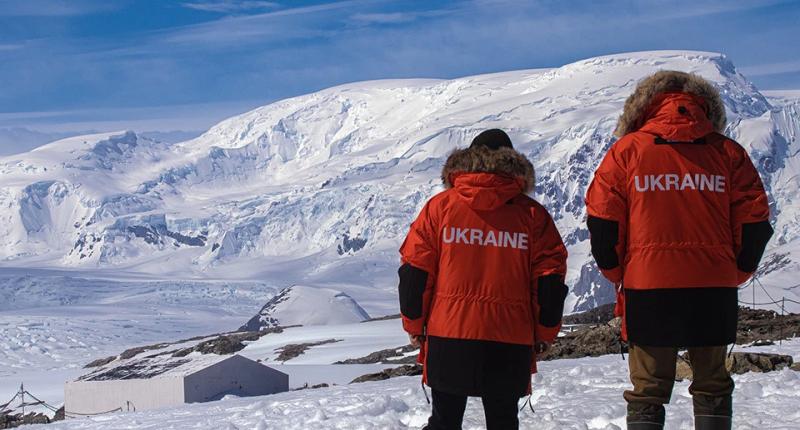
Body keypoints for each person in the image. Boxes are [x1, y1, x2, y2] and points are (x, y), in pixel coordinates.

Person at [585, 71, 773, 430]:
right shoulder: (728, 153)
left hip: (649, 286)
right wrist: (733, 272)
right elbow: (755, 222)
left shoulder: (627, 151)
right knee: (713, 383)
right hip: (713, 287)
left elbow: (603, 221)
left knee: (648, 389)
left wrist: (619, 272)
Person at [398, 129, 569, 430]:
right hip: (509, 339)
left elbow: (415, 273)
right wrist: (544, 333)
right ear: (513, 161)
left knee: (444, 421)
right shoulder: (533, 216)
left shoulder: (439, 209)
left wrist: (414, 324)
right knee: (503, 422)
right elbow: (549, 282)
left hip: (449, 334)